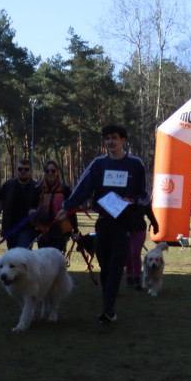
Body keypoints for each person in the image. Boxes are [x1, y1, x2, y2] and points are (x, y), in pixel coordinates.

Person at [57, 124, 149, 324]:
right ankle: (109, 307)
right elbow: (83, 188)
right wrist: (67, 206)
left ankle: (107, 309)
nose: (111, 142)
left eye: (115, 138)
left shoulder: (135, 164)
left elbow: (144, 195)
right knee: (105, 266)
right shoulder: (98, 164)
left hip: (124, 223)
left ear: (123, 140)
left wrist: (130, 201)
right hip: (103, 223)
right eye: (107, 138)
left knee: (116, 265)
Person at [0, 159, 40, 249]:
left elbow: (43, 206)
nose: (23, 171)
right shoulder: (8, 185)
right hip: (9, 227)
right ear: (17, 170)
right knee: (12, 255)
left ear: (31, 171)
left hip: (28, 229)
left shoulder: (36, 187)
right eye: (20, 169)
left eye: (26, 170)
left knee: (22, 254)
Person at [32, 160, 77, 252]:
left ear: (57, 172)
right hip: (43, 231)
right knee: (44, 259)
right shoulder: (38, 189)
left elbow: (71, 210)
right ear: (44, 172)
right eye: (47, 171)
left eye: (53, 171)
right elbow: (31, 208)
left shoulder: (65, 189)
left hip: (60, 231)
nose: (50, 173)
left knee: (57, 259)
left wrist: (75, 229)